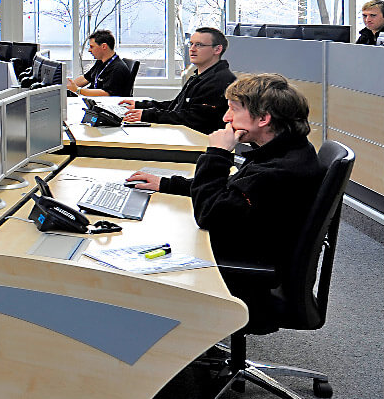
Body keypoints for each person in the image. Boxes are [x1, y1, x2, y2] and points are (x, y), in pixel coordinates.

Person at [127, 73, 322, 328]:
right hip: (253, 251)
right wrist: (166, 184)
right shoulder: (286, 151)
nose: (225, 118)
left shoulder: (278, 172)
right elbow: (230, 190)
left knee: (136, 262)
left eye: (233, 110)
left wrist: (218, 153)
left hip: (246, 273)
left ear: (263, 119)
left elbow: (210, 213)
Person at [122, 26, 235, 133]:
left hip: (200, 143)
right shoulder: (200, 76)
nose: (192, 49)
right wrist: (141, 106)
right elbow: (177, 106)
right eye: (191, 44)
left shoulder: (219, 81)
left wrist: (147, 115)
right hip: (187, 135)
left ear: (217, 49)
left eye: (199, 45)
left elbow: (192, 118)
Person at [68, 30, 133, 97]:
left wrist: (78, 90)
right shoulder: (101, 62)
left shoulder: (117, 68)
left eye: (92, 47)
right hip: (94, 100)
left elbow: (106, 93)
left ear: (104, 46)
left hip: (105, 103)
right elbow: (86, 78)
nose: (89, 50)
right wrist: (67, 86)